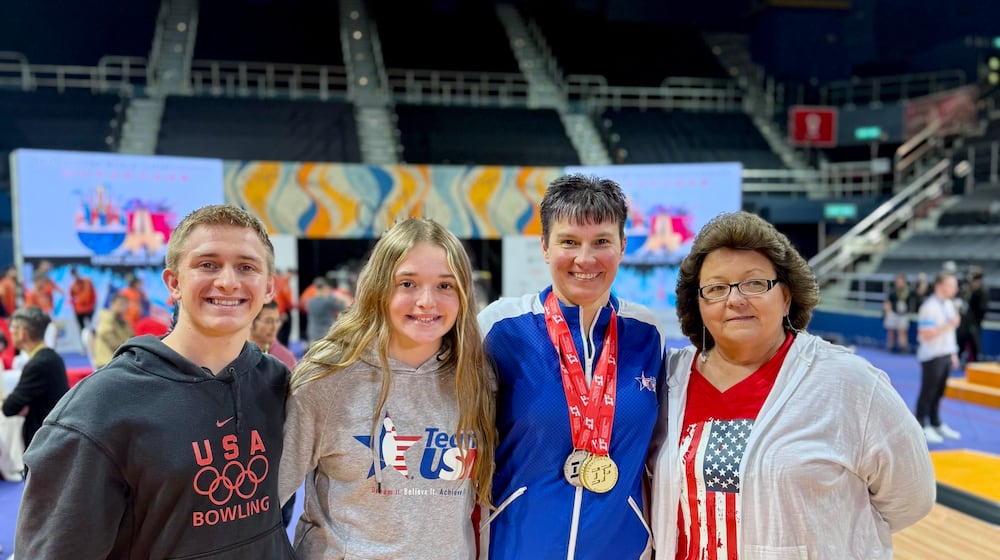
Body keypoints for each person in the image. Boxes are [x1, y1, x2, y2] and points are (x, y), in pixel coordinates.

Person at [14, 205, 296, 559]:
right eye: (207, 264)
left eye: (247, 267)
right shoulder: (98, 408)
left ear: (269, 288)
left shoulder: (278, 384)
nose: (228, 281)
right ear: (174, 283)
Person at [650, 211, 935, 559]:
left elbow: (911, 497)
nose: (735, 299)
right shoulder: (669, 380)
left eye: (754, 284)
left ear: (786, 296)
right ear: (697, 304)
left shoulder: (849, 382)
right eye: (716, 288)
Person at [279, 218, 496, 559]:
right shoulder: (327, 379)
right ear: (379, 287)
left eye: (445, 285)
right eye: (408, 283)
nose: (426, 301)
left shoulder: (476, 377)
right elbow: (261, 507)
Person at [478, 174, 665, 559]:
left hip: (622, 550)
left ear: (622, 246)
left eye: (602, 242)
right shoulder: (502, 327)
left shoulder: (646, 332)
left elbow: (656, 452)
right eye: (569, 242)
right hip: (517, 548)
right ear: (545, 247)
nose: (585, 259)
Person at [1, 306, 69, 449]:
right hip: (54, 437)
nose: (10, 332)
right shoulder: (53, 358)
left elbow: (10, 408)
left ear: (22, 333)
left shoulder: (37, 364)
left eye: (12, 328)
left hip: (42, 443)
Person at [915, 270, 963, 444]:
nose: (955, 288)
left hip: (945, 354)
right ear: (939, 286)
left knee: (939, 392)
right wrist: (949, 324)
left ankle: (935, 422)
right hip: (932, 355)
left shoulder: (949, 304)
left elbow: (950, 334)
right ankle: (921, 424)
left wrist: (953, 353)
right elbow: (925, 334)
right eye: (951, 285)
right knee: (928, 392)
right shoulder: (929, 307)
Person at [91, 293, 134, 368]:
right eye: (120, 304)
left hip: (119, 359)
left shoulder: (122, 321)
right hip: (107, 361)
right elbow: (106, 334)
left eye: (125, 304)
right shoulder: (106, 318)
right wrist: (124, 348)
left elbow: (131, 336)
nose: (123, 307)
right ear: (112, 304)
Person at [956, 267, 987, 364]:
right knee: (959, 347)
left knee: (974, 350)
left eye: (974, 280)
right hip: (963, 326)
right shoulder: (967, 290)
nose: (972, 283)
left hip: (974, 326)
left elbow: (981, 310)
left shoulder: (982, 292)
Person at [304, 276, 345, 346]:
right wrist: (341, 298)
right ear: (324, 288)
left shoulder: (309, 302)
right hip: (326, 334)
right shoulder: (328, 301)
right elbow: (343, 308)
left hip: (313, 334)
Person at [883, 273, 911, 353]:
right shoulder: (892, 291)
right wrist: (887, 312)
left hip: (903, 314)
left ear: (904, 282)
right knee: (891, 331)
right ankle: (891, 346)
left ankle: (903, 348)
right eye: (897, 281)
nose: (899, 283)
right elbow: (887, 302)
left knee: (902, 331)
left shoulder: (908, 291)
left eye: (900, 281)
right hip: (893, 313)